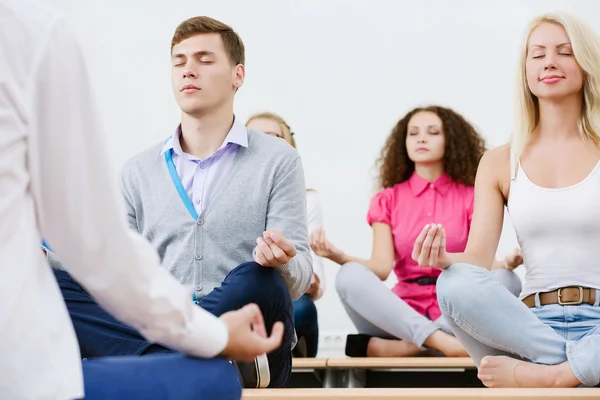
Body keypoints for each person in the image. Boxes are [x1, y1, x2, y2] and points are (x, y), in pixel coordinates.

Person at [0, 1, 284, 399]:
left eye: (204, 59)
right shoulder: (138, 168)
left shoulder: (278, 160)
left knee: (259, 277)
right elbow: (95, 251)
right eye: (180, 61)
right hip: (151, 317)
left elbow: (301, 270)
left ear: (238, 75)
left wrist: (285, 261)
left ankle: (167, 350)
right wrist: (210, 336)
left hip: (201, 306)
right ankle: (180, 352)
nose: (188, 69)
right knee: (60, 282)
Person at [412, 12, 600, 388]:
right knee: (454, 283)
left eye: (565, 52)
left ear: (587, 64)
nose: (549, 61)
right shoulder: (499, 161)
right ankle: (573, 369)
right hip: (527, 327)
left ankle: (555, 375)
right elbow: (478, 262)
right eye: (538, 54)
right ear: (525, 70)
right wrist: (444, 259)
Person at [311, 106, 523, 358]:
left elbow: (479, 262)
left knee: (507, 280)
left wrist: (506, 264)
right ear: (404, 143)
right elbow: (380, 268)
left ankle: (414, 345)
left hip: (457, 310)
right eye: (413, 133)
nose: (421, 138)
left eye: (433, 132)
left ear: (451, 141)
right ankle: (443, 344)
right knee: (349, 276)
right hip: (402, 315)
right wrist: (337, 255)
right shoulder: (386, 199)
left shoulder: (472, 197)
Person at [246, 112, 325, 358]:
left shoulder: (307, 199)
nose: (264, 145)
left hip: (286, 294)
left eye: (273, 137)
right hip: (238, 292)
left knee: (301, 309)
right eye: (254, 138)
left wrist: (298, 273)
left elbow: (315, 283)